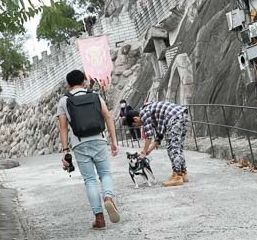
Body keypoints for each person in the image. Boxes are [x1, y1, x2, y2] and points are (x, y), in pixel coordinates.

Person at [57, 69, 121, 229]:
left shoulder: (64, 101)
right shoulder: (95, 96)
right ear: (84, 81)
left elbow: (63, 128)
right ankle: (108, 197)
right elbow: (108, 117)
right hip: (98, 139)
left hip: (79, 143)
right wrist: (113, 141)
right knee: (105, 174)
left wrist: (66, 151)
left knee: (90, 180)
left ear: (68, 84)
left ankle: (99, 218)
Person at [126, 100, 189, 187]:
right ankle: (183, 173)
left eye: (135, 124)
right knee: (178, 146)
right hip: (181, 115)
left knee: (173, 148)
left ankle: (177, 176)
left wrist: (143, 152)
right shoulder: (150, 112)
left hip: (174, 117)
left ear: (135, 119)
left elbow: (149, 136)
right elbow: (159, 135)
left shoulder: (144, 114)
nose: (138, 126)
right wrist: (149, 150)